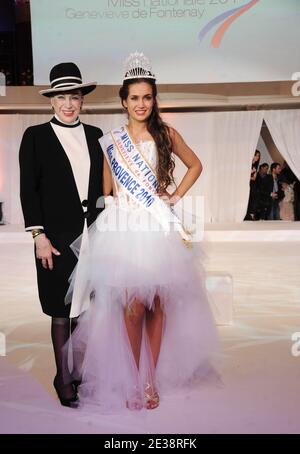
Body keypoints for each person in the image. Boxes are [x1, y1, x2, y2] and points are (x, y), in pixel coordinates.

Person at [66, 52, 218, 412]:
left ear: (154, 99)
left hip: (158, 227)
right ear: (123, 101)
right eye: (134, 98)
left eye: (147, 97)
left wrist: (175, 195)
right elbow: (107, 191)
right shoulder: (112, 141)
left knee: (158, 307)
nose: (141, 104)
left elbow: (195, 164)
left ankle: (150, 381)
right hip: (127, 230)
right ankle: (135, 376)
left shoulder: (165, 134)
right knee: (132, 308)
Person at [19, 62, 104, 407]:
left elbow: (106, 186)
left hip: (94, 235)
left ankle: (78, 371)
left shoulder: (98, 136)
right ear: (51, 101)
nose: (68, 103)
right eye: (61, 97)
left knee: (86, 309)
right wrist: (38, 234)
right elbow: (29, 190)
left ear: (82, 100)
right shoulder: (35, 137)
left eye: (75, 96)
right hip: (54, 239)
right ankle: (63, 377)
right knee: (61, 310)